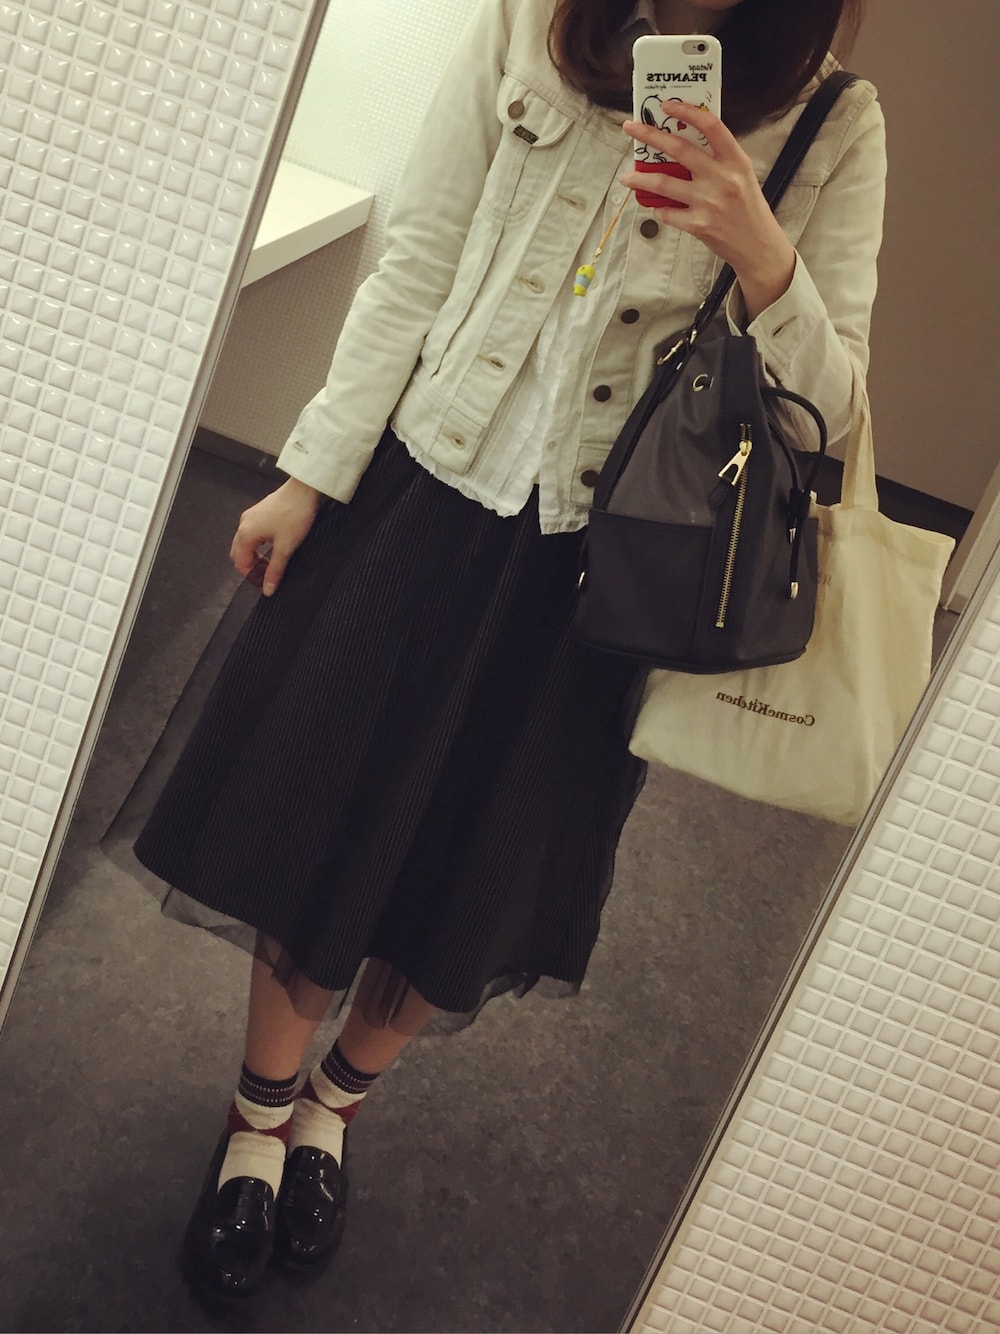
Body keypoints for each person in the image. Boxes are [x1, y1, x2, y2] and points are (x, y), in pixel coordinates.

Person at [132, 0, 884, 1304]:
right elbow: (418, 256)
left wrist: (762, 252)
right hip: (426, 488)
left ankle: (333, 1111)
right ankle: (257, 1120)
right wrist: (311, 469)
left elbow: (836, 403)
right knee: (322, 812)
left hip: (607, 563)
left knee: (479, 860)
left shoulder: (835, 118)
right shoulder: (532, 19)